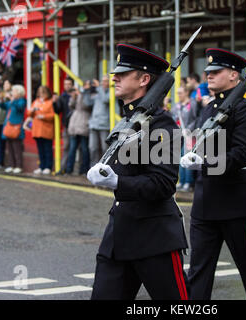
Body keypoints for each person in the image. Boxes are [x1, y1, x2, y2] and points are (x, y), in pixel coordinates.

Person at [86, 44, 188, 300]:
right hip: (119, 235)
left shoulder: (163, 124)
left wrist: (117, 181)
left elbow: (163, 183)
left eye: (123, 73)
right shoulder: (128, 120)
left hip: (156, 239)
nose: (114, 77)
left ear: (144, 79)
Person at [180, 48, 246, 299]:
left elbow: (240, 155)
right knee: (198, 274)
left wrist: (203, 163)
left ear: (234, 76)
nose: (209, 75)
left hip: (236, 204)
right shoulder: (210, 108)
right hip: (205, 205)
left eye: (216, 71)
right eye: (208, 71)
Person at [171, 86, 198, 192]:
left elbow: (196, 118)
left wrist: (189, 129)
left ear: (187, 92)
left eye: (180, 93)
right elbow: (172, 117)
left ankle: (188, 182)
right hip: (179, 136)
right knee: (180, 158)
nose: (179, 95)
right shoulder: (177, 106)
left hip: (190, 136)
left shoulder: (192, 104)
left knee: (188, 157)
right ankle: (181, 181)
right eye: (177, 93)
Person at [84, 75, 111, 166]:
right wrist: (87, 91)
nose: (104, 83)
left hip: (104, 124)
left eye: (106, 81)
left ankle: (104, 167)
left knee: (105, 148)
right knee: (92, 148)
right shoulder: (98, 91)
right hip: (94, 124)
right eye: (102, 81)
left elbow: (105, 99)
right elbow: (88, 103)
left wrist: (99, 87)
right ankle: (93, 168)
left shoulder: (111, 91)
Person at [0, 84, 26, 174]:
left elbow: (20, 108)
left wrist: (12, 100)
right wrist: (1, 99)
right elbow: (3, 106)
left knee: (17, 148)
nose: (12, 93)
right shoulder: (12, 102)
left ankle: (19, 165)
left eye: (14, 91)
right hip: (8, 126)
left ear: (19, 92)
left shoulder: (21, 101)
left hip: (16, 127)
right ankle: (11, 165)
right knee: (10, 148)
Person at [29, 86, 55, 175]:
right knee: (40, 150)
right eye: (40, 92)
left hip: (46, 129)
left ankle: (48, 166)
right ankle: (41, 166)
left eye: (43, 92)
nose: (42, 94)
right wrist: (32, 110)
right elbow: (29, 113)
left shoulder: (50, 102)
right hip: (37, 130)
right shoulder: (36, 101)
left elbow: (52, 116)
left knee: (47, 149)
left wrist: (43, 116)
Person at [65, 86, 91, 175]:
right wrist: (73, 97)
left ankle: (84, 169)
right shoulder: (78, 96)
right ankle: (69, 170)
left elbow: (85, 105)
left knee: (84, 149)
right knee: (72, 149)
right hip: (74, 125)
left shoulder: (88, 95)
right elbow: (71, 106)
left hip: (83, 125)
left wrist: (80, 95)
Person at [53, 77, 74, 174]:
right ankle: (63, 168)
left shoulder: (76, 95)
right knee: (66, 147)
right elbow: (58, 110)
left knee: (78, 148)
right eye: (65, 84)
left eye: (69, 84)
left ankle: (74, 169)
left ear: (72, 85)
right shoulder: (62, 96)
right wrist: (54, 102)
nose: (67, 86)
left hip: (77, 126)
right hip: (66, 126)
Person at [0, 79, 11, 171]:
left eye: (7, 83)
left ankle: (10, 164)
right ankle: (0, 162)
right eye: (4, 84)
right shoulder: (2, 94)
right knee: (1, 144)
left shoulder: (12, 95)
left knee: (9, 144)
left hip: (6, 122)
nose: (5, 85)